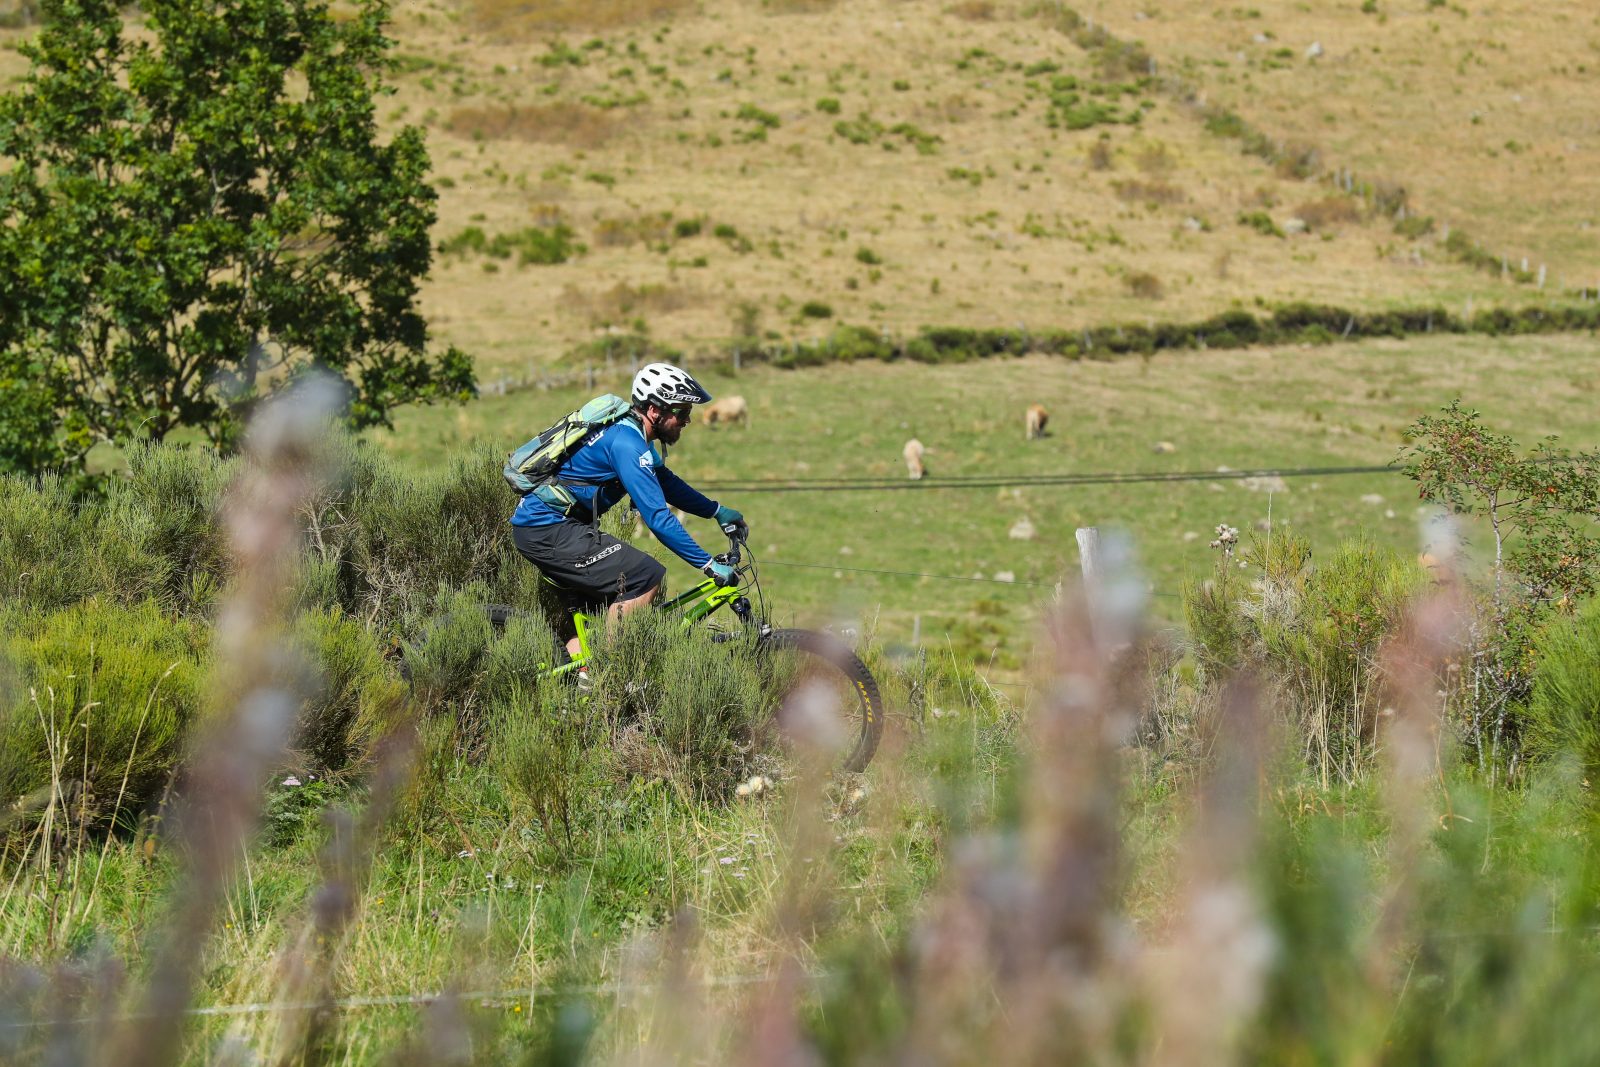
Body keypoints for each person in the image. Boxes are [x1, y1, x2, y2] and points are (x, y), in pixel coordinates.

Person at [509, 362, 746, 666]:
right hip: (548, 529)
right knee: (644, 576)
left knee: (600, 610)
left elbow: (667, 483)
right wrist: (708, 565)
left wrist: (716, 510)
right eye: (681, 412)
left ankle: (579, 682)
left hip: (553, 527)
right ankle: (610, 682)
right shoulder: (627, 444)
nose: (687, 420)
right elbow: (657, 518)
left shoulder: (630, 434)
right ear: (655, 410)